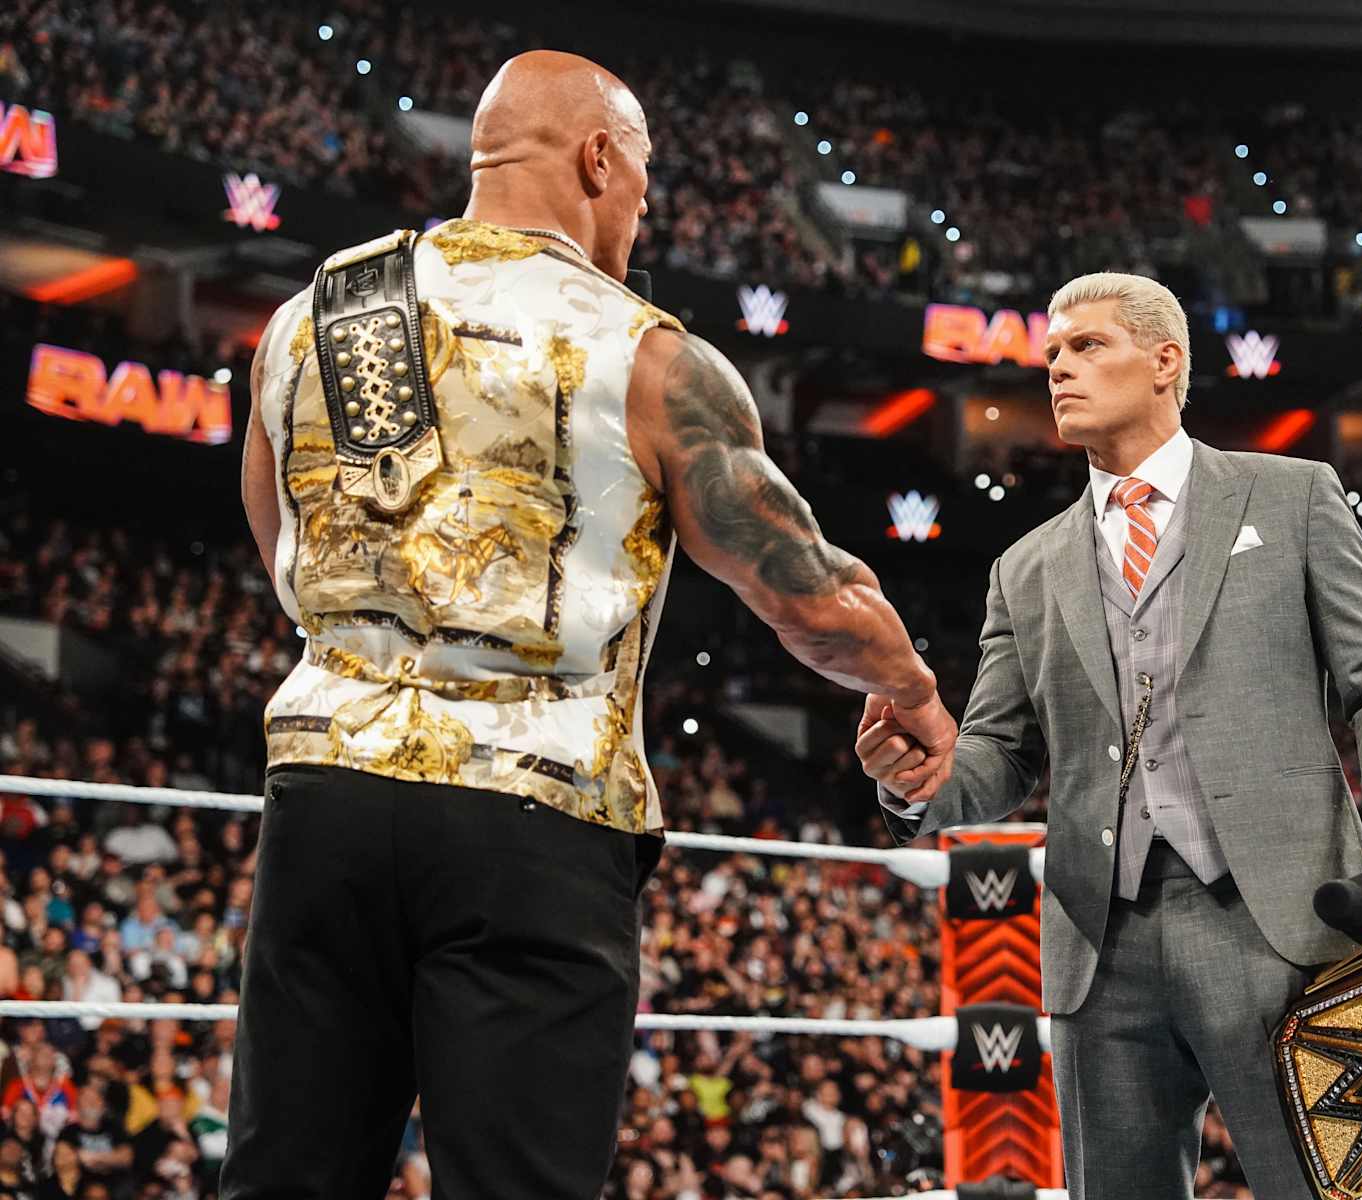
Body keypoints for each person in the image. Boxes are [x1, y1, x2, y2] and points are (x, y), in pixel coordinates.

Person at [225, 49, 952, 1199]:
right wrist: (911, 690)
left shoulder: (312, 313)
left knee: (287, 1179)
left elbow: (283, 542)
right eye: (644, 180)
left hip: (324, 794)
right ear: (598, 158)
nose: (645, 209)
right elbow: (807, 595)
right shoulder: (644, 351)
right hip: (532, 811)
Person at [856, 272, 1362, 1198]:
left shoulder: (1292, 496)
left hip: (1288, 924)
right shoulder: (1025, 566)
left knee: (1340, 1190)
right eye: (1051, 353)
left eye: (1087, 347)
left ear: (1166, 361)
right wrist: (919, 781)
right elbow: (1001, 757)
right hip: (1103, 950)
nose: (1058, 368)